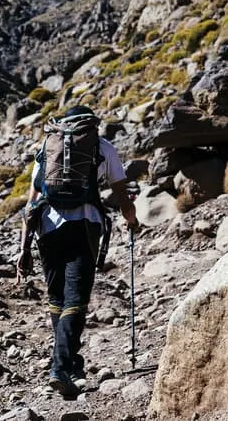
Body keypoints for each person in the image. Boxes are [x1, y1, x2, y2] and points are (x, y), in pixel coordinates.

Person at [16, 105, 139, 399]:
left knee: (57, 298)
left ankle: (71, 363)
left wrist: (23, 248)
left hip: (47, 227)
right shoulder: (101, 145)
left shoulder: (48, 144)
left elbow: (31, 202)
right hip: (84, 225)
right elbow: (121, 193)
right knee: (76, 300)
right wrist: (132, 220)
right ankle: (59, 368)